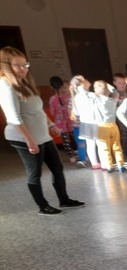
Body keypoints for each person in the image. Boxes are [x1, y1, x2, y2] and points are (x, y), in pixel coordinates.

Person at [0, 46, 84, 214]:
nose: (23, 69)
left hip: (42, 135)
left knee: (57, 168)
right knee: (35, 173)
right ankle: (43, 206)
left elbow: (37, 110)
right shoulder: (6, 85)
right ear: (7, 67)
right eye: (18, 65)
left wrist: (51, 125)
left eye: (25, 65)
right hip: (24, 137)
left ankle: (64, 200)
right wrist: (29, 141)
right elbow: (14, 118)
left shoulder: (24, 83)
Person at [70, 74, 101, 170]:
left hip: (85, 124)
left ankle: (94, 163)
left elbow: (76, 112)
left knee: (91, 144)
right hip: (95, 122)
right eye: (84, 80)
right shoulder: (90, 95)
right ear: (82, 84)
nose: (87, 80)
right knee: (99, 143)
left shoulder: (76, 97)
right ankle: (103, 162)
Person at [93, 80, 125, 172]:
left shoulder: (96, 101)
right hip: (113, 126)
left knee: (105, 148)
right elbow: (116, 93)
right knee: (117, 146)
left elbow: (90, 95)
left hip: (102, 127)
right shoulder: (113, 100)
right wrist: (108, 85)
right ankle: (120, 165)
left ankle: (109, 166)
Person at [48, 76, 78, 164]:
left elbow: (52, 112)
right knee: (73, 136)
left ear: (51, 87)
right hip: (70, 120)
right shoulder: (68, 97)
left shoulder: (52, 99)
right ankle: (77, 153)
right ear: (62, 85)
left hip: (60, 122)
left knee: (65, 140)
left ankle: (71, 156)